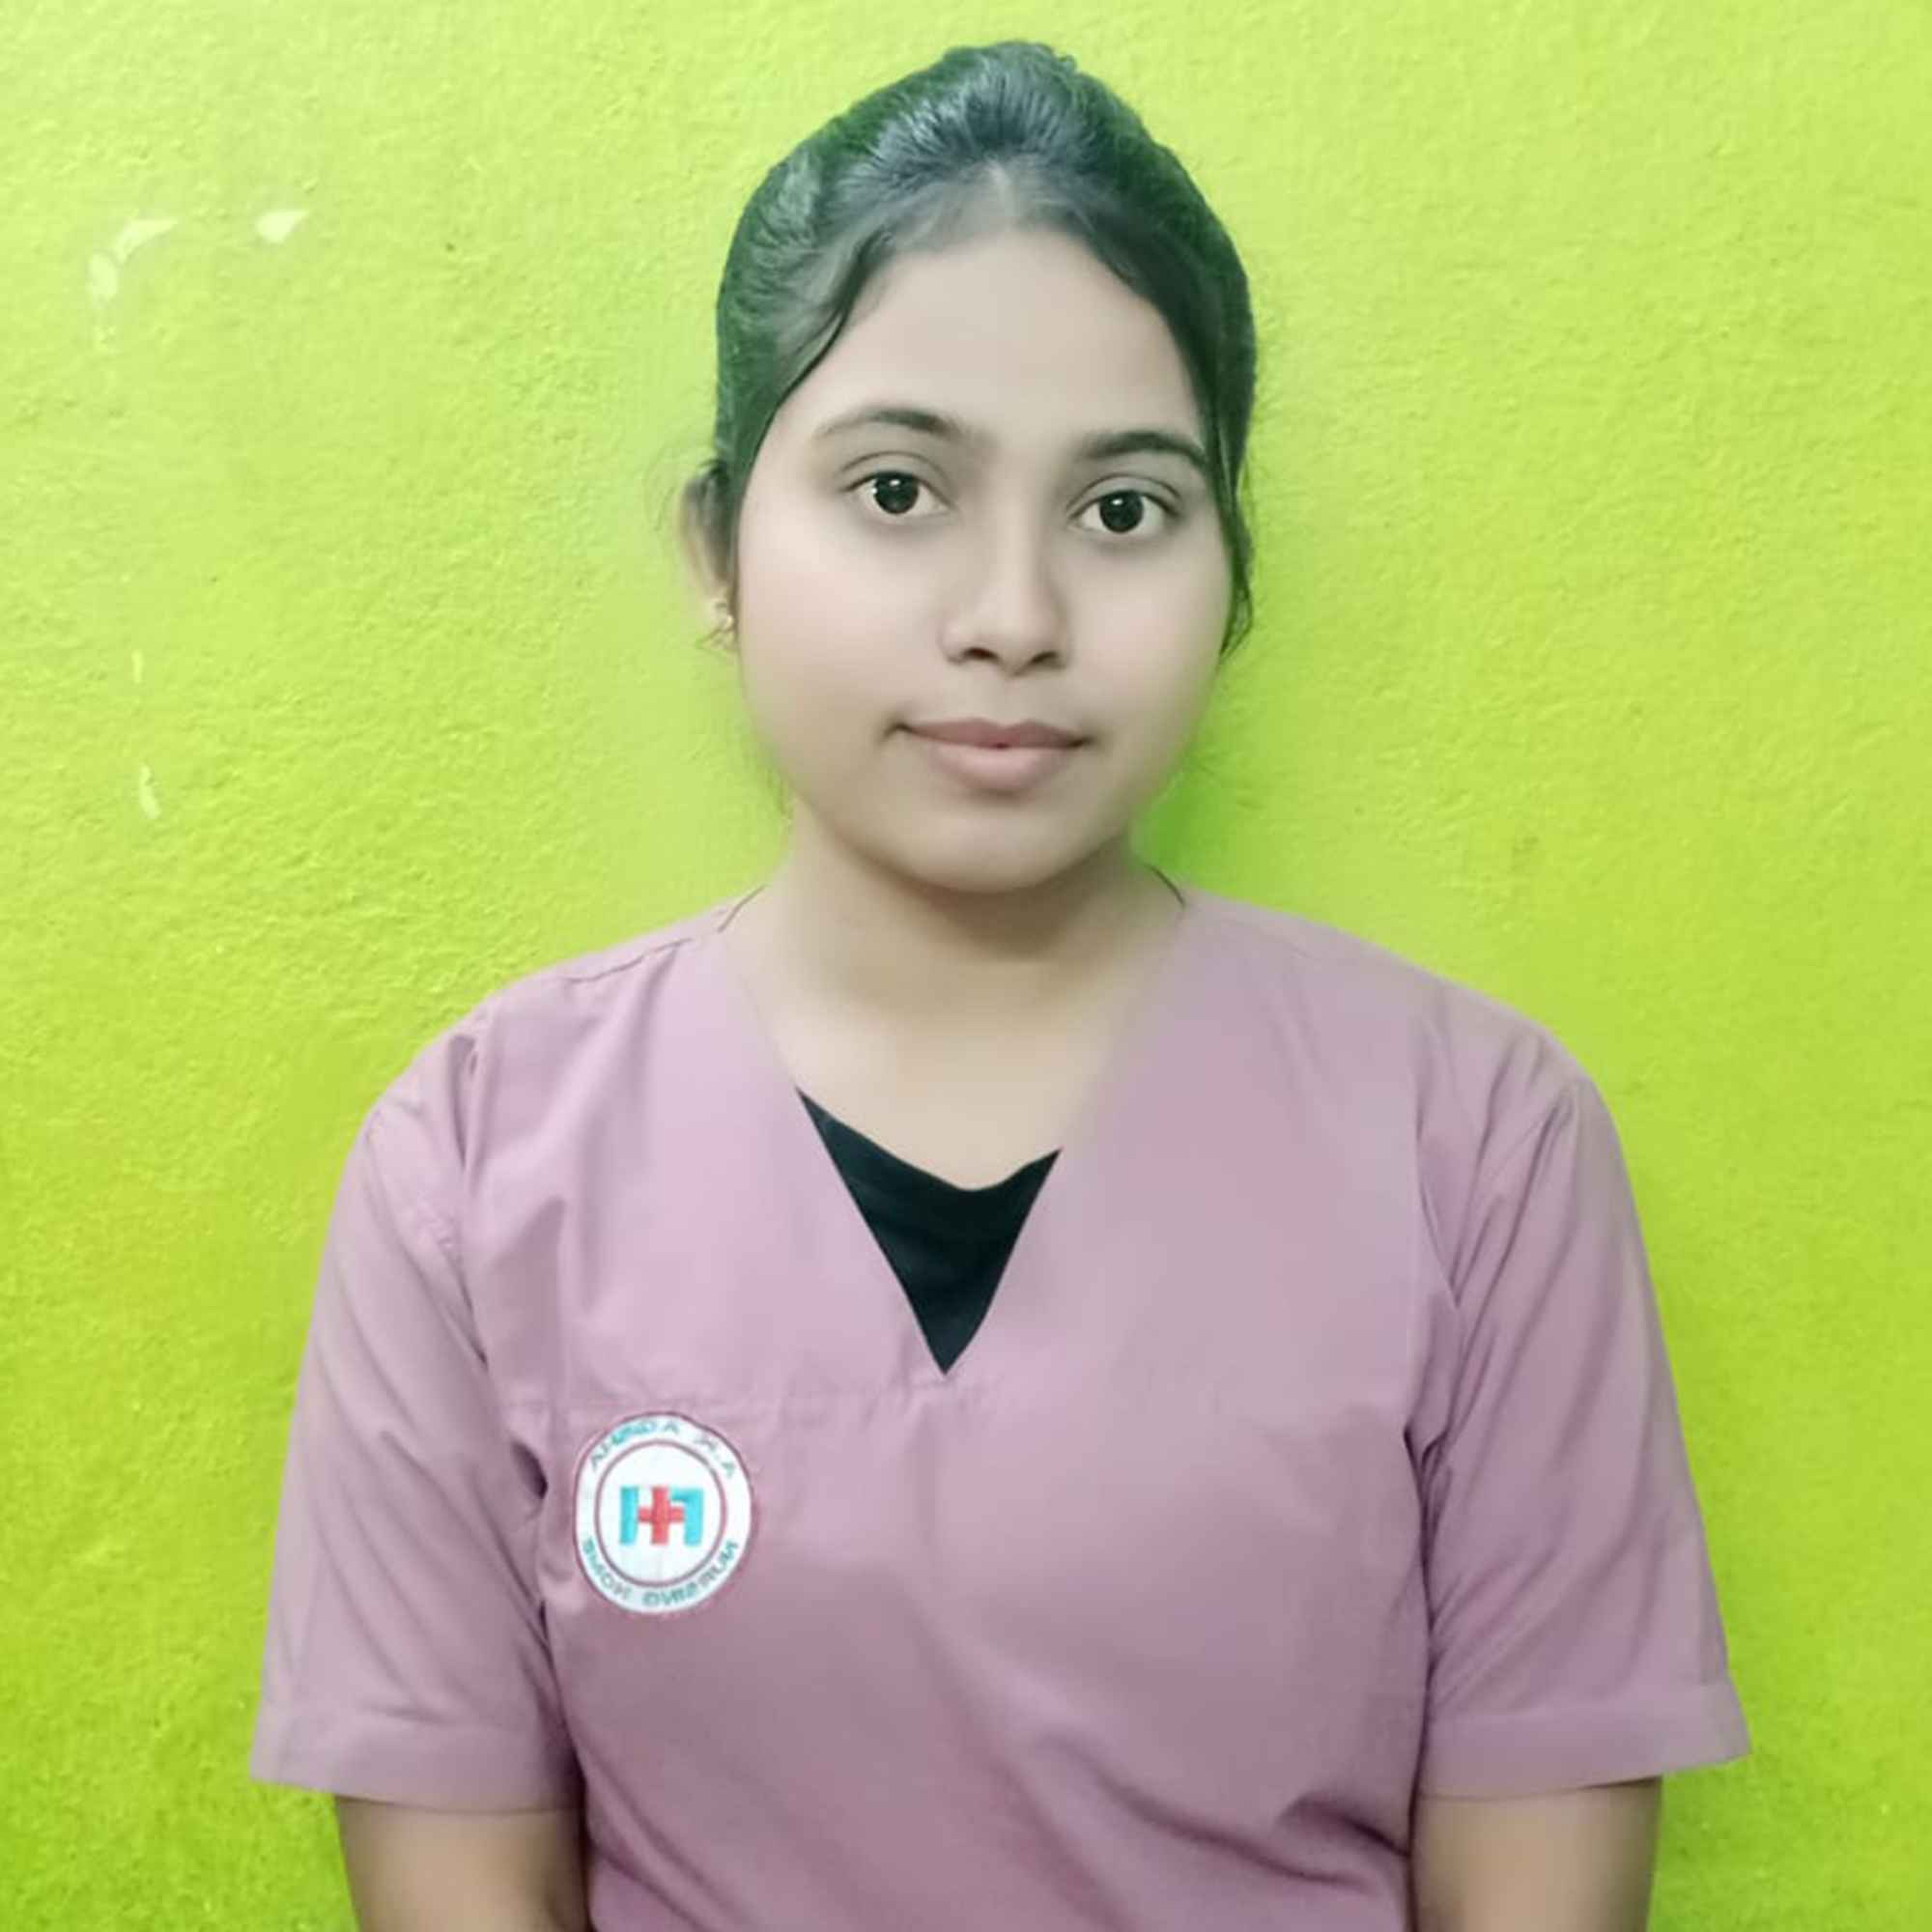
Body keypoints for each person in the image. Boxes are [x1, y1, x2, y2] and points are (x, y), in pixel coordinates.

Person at [249, 38, 1749, 1931]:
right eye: (898, 490)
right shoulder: (476, 1166)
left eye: (1123, 510)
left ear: (1231, 569)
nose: (1014, 616)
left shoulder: (1480, 1148)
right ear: (716, 547)